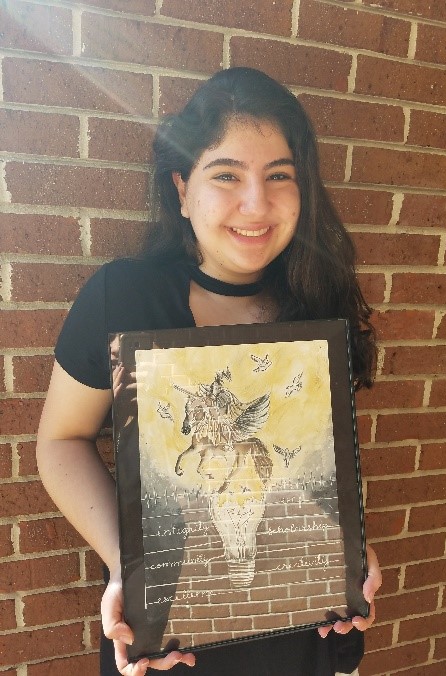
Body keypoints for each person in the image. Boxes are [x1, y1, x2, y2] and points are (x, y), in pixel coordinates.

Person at [36, 67, 382, 676]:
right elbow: (61, 440)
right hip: (172, 634)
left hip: (304, 632)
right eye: (227, 175)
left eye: (280, 176)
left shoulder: (318, 303)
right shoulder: (123, 297)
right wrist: (130, 566)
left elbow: (318, 466)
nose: (256, 203)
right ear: (182, 188)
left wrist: (346, 548)